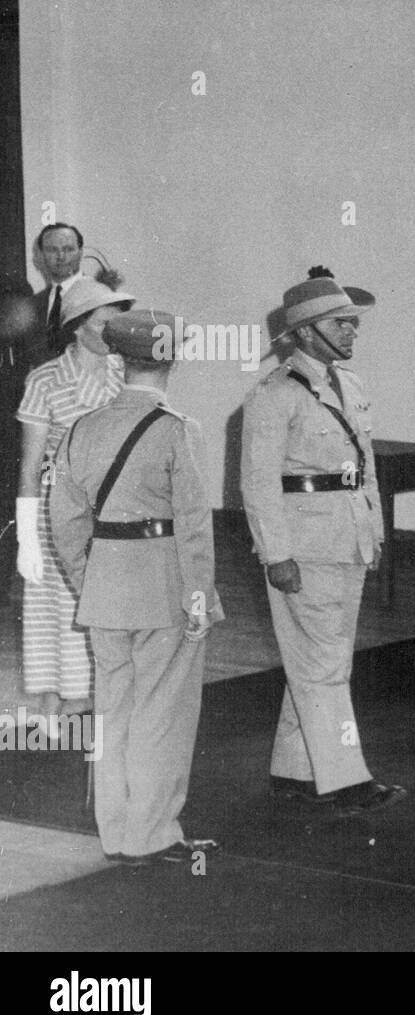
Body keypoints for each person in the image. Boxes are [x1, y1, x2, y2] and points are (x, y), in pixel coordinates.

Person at [48, 308, 222, 866]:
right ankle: (152, 833)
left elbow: (65, 519)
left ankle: (117, 832)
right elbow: (195, 526)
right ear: (173, 356)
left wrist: (87, 576)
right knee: (162, 710)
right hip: (164, 584)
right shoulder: (177, 429)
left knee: (114, 709)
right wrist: (199, 597)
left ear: (120, 359)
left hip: (104, 586)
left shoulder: (82, 427)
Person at [241, 271, 405, 815]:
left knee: (321, 657)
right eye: (341, 323)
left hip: (348, 535)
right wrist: (276, 554)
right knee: (323, 664)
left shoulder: (349, 386)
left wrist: (376, 530)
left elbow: (365, 467)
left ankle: (294, 766)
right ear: (307, 333)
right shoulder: (275, 393)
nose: (353, 331)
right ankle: (344, 778)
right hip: (303, 544)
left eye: (353, 322)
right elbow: (257, 482)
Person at [13, 274, 134, 723]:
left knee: (105, 606)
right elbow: (29, 466)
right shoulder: (45, 379)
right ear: (79, 326)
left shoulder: (127, 374)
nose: (114, 332)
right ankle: (55, 702)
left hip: (115, 510)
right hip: (57, 511)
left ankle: (93, 700)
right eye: (105, 323)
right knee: (58, 608)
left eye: (118, 323)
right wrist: (26, 538)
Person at [30, 223, 86, 367]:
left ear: (80, 253)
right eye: (52, 250)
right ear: (41, 255)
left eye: (68, 249)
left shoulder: (100, 298)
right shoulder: (33, 304)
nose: (61, 256)